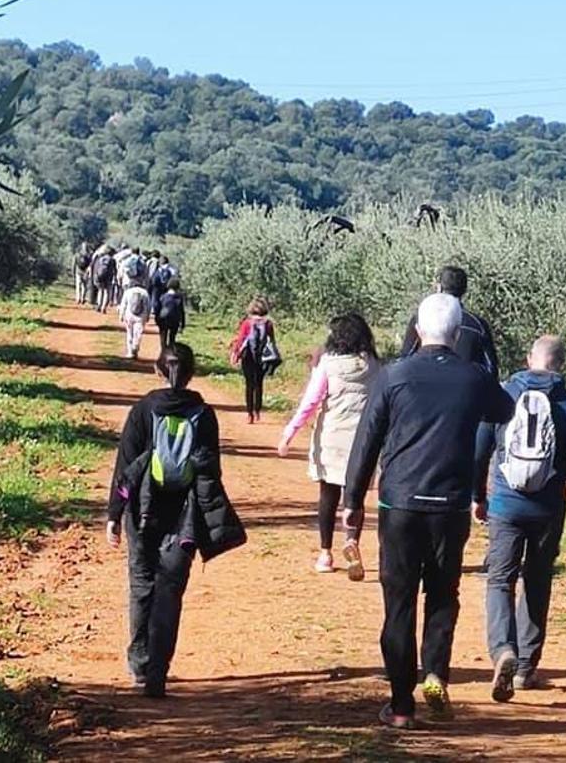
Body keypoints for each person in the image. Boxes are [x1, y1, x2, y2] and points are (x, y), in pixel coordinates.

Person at [344, 293, 513, 729]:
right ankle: (435, 671)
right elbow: (504, 408)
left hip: (399, 503)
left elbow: (366, 443)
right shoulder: (473, 378)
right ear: (457, 336)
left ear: (417, 331)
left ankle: (401, 705)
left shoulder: (393, 376)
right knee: (442, 594)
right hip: (450, 506)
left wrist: (352, 504)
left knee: (398, 602)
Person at [106, 344, 247, 698]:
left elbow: (126, 469)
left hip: (142, 513)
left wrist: (114, 514)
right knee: (170, 591)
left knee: (142, 587)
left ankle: (139, 665)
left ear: (158, 371)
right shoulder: (204, 414)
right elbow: (210, 471)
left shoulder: (142, 410)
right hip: (186, 518)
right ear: (190, 374)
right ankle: (158, 671)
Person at [473, 335, 566, 702]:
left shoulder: (503, 395)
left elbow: (479, 452)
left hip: (506, 505)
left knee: (500, 579)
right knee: (538, 580)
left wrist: (478, 496)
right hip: (547, 509)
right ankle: (526, 667)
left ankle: (502, 649)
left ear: (529, 359)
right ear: (561, 364)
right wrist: (559, 472)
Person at [278, 313, 379, 580]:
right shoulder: (375, 365)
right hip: (364, 442)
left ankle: (325, 553)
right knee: (354, 497)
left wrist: (289, 433)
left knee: (328, 496)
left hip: (332, 438)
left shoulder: (328, 365)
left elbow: (311, 402)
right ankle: (352, 542)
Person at [401, 266, 499, 379]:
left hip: (423, 387)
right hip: (467, 390)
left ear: (439, 288)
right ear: (464, 291)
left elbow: (405, 358)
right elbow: (491, 369)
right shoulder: (478, 325)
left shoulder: (422, 318)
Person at [230, 297, 276, 424]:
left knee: (249, 385)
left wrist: (235, 354)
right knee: (259, 384)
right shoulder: (268, 324)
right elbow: (272, 342)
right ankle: (257, 411)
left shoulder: (247, 323)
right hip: (262, 358)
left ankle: (249, 413)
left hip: (248, 356)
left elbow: (241, 340)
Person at [119, 281, 152, 359]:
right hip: (141, 316)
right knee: (138, 333)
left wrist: (121, 315)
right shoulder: (145, 292)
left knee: (129, 333)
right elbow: (149, 306)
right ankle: (135, 346)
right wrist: (148, 316)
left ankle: (130, 352)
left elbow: (123, 304)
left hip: (129, 315)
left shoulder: (128, 292)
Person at [155, 277, 186, 352]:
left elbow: (157, 308)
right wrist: (182, 324)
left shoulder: (163, 297)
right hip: (175, 320)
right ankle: (170, 350)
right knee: (172, 337)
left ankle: (163, 350)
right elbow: (182, 311)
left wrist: (157, 320)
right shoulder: (179, 298)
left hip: (163, 319)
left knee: (163, 336)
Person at [93, 245, 117, 314]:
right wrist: (115, 277)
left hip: (100, 276)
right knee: (107, 292)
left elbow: (97, 267)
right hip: (109, 278)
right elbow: (115, 270)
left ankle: (99, 305)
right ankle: (104, 307)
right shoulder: (113, 260)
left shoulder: (101, 258)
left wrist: (96, 275)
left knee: (100, 291)